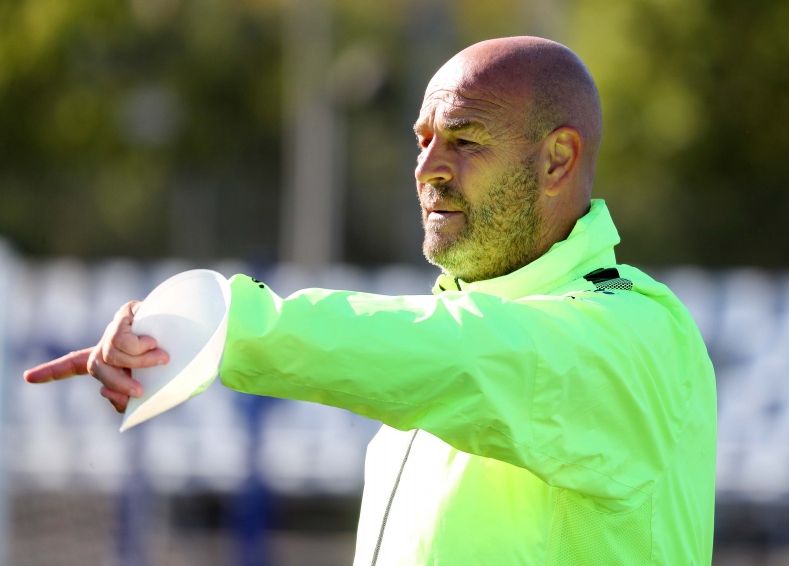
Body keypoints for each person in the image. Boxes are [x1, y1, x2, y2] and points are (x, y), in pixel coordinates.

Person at [25, 36, 717, 565]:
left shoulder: (635, 330)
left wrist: (230, 325)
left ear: (557, 159)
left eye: (464, 140)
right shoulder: (445, 345)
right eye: (422, 140)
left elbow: (469, 351)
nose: (427, 169)